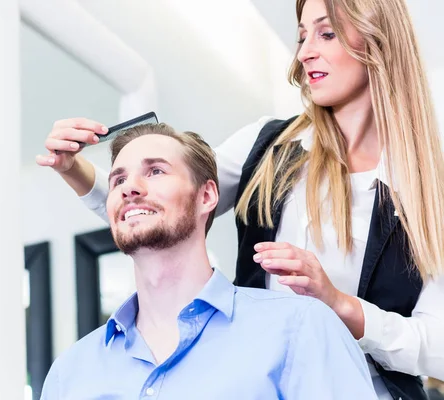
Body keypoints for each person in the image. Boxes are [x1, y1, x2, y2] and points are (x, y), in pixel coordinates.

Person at [37, 0, 444, 398]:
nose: (304, 53)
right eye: (302, 36)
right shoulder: (266, 146)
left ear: (378, 40)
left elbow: (438, 351)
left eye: (326, 33)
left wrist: (341, 306)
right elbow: (163, 201)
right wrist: (73, 169)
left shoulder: (430, 189)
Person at [40, 124, 377, 400]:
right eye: (118, 180)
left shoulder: (300, 328)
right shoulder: (70, 373)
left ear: (207, 196)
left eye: (155, 171)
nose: (130, 188)